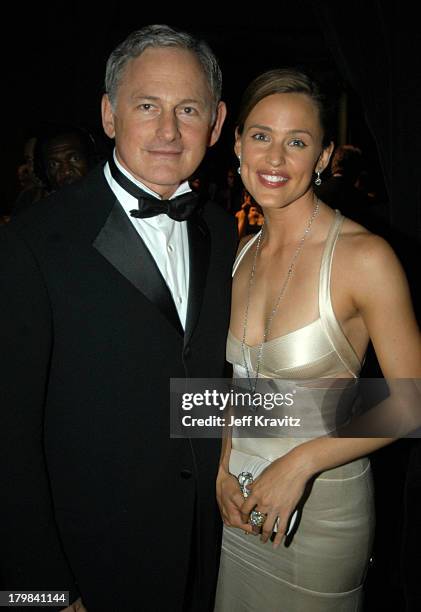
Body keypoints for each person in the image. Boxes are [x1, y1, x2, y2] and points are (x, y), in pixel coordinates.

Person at [0, 25, 236, 612]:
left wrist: (335, 431)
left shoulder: (223, 229)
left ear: (217, 120)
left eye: (188, 109)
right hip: (91, 562)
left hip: (213, 548)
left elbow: (206, 392)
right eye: (147, 106)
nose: (168, 130)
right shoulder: (33, 243)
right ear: (108, 115)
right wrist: (40, 593)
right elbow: (8, 439)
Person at [214, 68, 421, 611]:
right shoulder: (238, 253)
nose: (275, 158)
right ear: (237, 143)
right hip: (237, 505)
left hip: (320, 510)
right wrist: (219, 467)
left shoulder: (364, 257)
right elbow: (243, 390)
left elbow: (411, 402)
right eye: (261, 135)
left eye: (297, 141)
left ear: (324, 156)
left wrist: (302, 462)